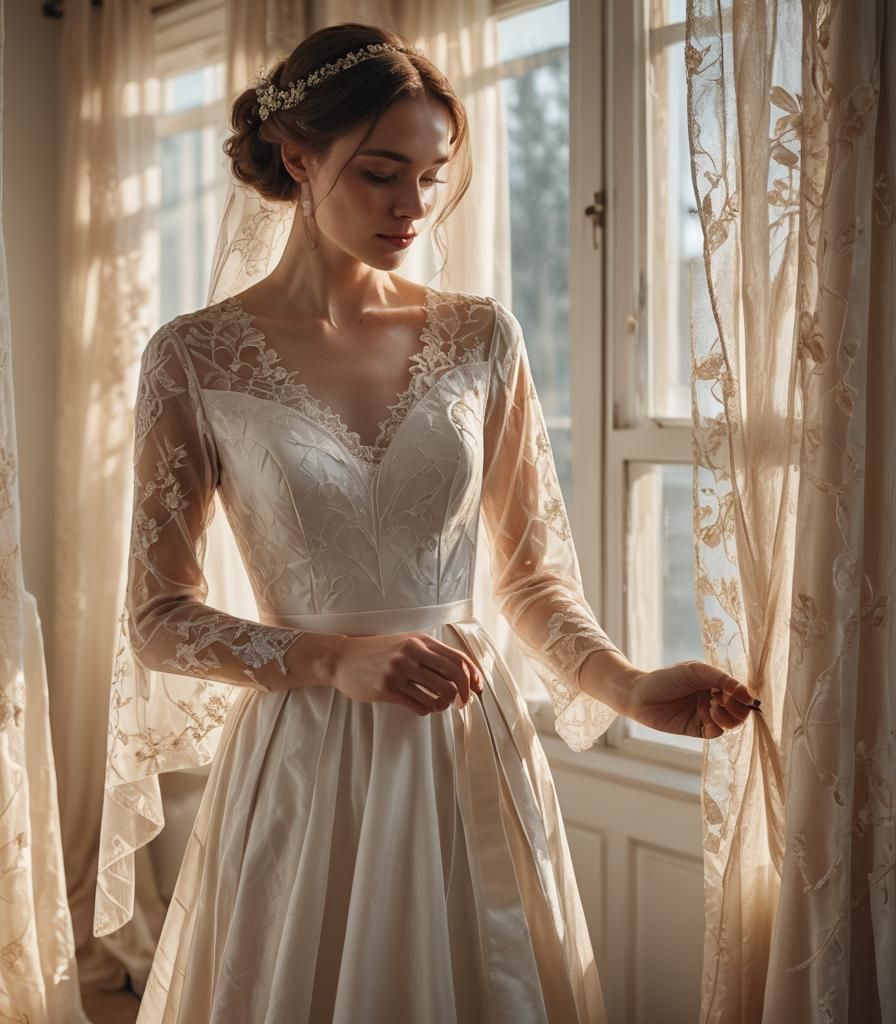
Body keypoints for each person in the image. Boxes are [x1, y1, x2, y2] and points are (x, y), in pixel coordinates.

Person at [93, 22, 758, 1023]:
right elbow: (157, 616)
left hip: (464, 740)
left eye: (434, 173)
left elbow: (531, 580)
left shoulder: (481, 332)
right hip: (306, 759)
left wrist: (630, 686)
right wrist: (328, 659)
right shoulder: (194, 355)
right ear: (297, 156)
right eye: (380, 172)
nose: (413, 205)